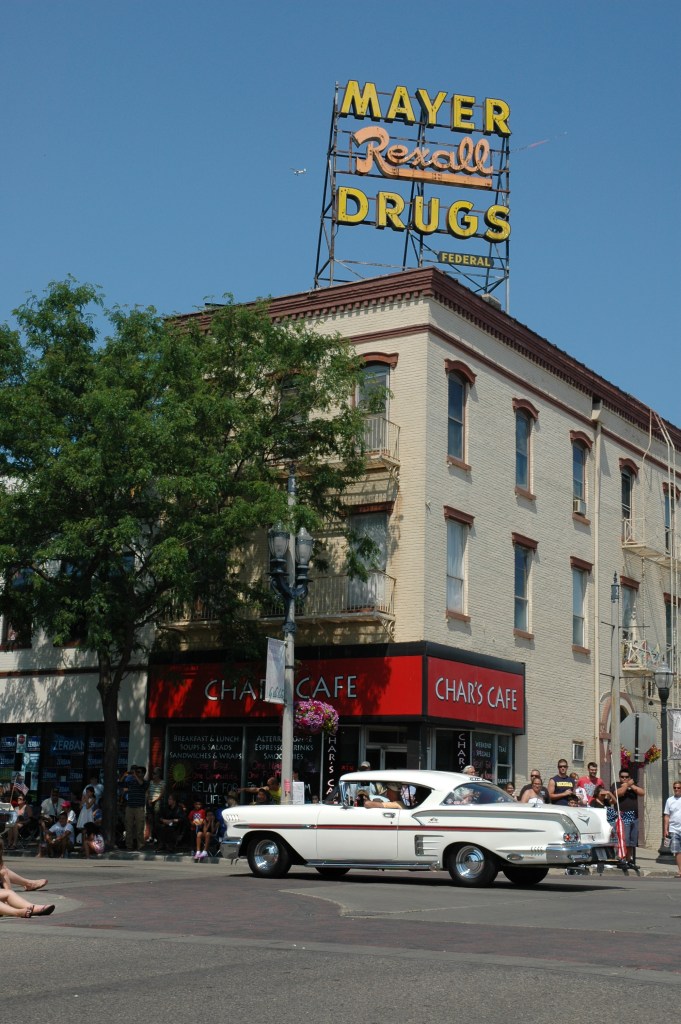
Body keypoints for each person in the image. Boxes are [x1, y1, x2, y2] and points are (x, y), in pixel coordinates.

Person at [611, 768, 644, 862]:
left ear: (629, 777)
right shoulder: (616, 785)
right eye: (622, 777)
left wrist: (631, 786)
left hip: (634, 816)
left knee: (632, 841)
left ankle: (629, 859)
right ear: (619, 777)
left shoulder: (633, 785)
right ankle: (622, 858)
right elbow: (618, 793)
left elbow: (642, 792)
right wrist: (626, 785)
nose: (624, 778)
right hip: (623, 815)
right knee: (624, 839)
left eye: (626, 777)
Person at [121, 765, 149, 851]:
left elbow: (141, 784)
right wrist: (124, 776)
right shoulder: (131, 781)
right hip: (129, 807)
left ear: (143, 774)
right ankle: (129, 846)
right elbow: (121, 785)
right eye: (136, 772)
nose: (136, 773)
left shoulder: (145, 782)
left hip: (139, 808)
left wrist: (135, 775)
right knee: (128, 828)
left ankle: (140, 845)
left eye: (138, 772)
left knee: (139, 828)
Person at [663, 780, 681, 878]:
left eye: (678, 788)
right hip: (674, 829)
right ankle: (680, 871)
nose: (676, 789)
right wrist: (666, 829)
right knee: (677, 851)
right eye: (675, 788)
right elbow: (667, 816)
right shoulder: (669, 800)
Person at [147, 767, 165, 841]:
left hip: (157, 802)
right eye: (152, 773)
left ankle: (157, 836)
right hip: (150, 802)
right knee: (150, 819)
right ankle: (151, 836)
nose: (153, 775)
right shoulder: (151, 782)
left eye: (154, 773)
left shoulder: (162, 782)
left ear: (159, 774)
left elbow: (162, 794)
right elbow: (148, 791)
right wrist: (149, 799)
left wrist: (154, 800)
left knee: (156, 819)